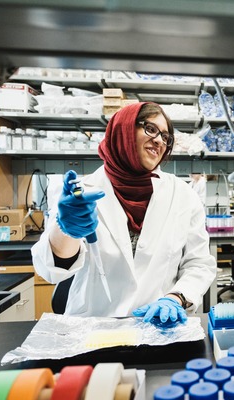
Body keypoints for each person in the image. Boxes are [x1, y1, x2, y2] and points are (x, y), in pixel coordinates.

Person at [31, 102, 217, 323]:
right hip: (93, 326)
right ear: (124, 130)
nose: (159, 140)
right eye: (150, 129)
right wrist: (66, 230)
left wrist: (176, 298)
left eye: (166, 137)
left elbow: (199, 264)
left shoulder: (183, 195)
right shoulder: (81, 193)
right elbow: (51, 270)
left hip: (159, 326)